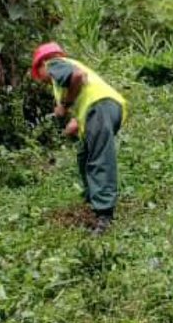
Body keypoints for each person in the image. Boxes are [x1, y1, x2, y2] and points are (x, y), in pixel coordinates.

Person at [30, 43, 126, 235]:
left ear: (42, 63)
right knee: (85, 155)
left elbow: (78, 78)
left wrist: (64, 105)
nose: (43, 81)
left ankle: (104, 215)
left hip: (101, 107)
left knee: (99, 158)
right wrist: (75, 121)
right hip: (102, 109)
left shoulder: (54, 64)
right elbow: (81, 90)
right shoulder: (64, 73)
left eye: (39, 75)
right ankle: (92, 205)